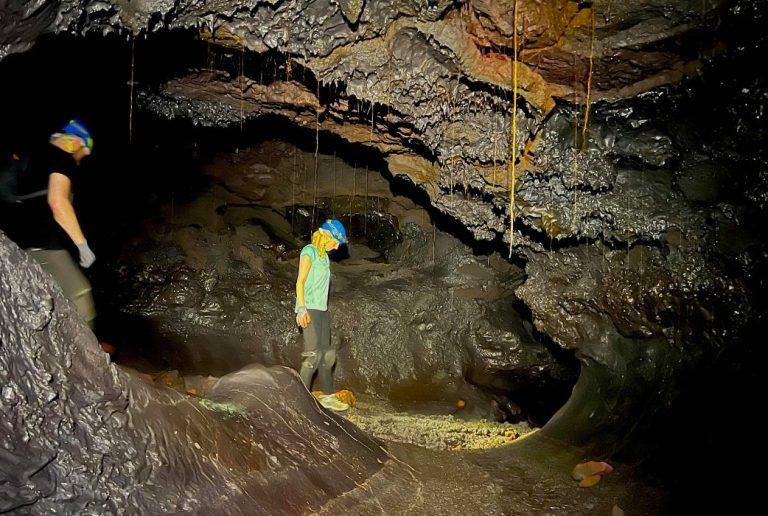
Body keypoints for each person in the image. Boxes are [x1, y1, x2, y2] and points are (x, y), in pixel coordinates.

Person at [2, 119, 97, 329]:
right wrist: (82, 244)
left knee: (39, 303)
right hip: (44, 246)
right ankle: (87, 358)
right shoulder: (61, 158)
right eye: (82, 153)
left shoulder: (32, 157)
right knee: (80, 294)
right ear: (74, 141)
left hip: (15, 247)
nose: (79, 160)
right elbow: (57, 201)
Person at [295, 218, 349, 412]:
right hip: (309, 308)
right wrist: (301, 308)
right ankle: (301, 400)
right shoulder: (308, 251)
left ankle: (328, 395)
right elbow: (300, 281)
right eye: (336, 241)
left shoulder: (324, 257)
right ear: (327, 236)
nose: (336, 247)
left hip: (322, 310)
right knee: (312, 356)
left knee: (328, 355)